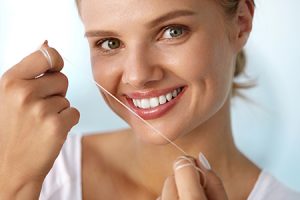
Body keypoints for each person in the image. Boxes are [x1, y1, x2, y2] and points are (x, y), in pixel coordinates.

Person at [0, 0, 299, 199]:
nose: (138, 75)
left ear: (241, 23)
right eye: (110, 43)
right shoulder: (34, 171)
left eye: (172, 31)